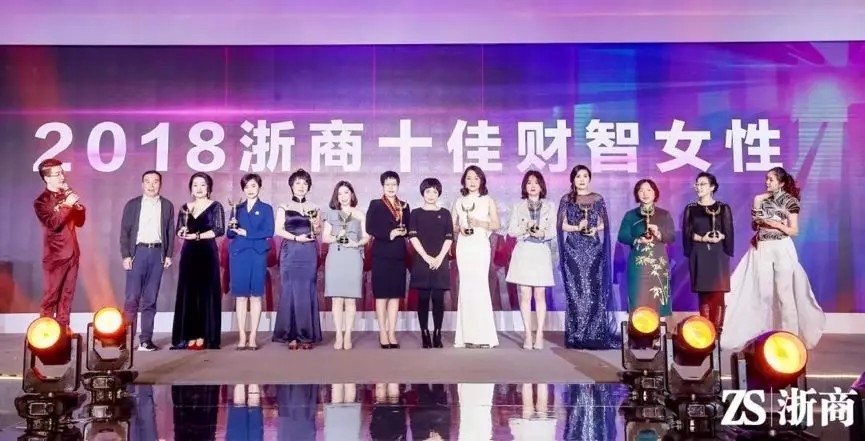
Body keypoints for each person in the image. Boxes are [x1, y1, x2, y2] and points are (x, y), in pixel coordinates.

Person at [721, 167, 825, 350]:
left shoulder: (790, 201)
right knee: (763, 293)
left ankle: (790, 337)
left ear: (781, 183)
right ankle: (761, 337)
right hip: (762, 248)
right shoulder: (760, 199)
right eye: (766, 179)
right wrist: (760, 214)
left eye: (771, 179)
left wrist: (774, 223)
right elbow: (755, 225)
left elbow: (794, 230)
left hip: (781, 247)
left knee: (785, 294)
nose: (767, 182)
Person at [556, 165, 619, 349]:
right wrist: (577, 227)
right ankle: (577, 335)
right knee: (575, 291)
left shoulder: (597, 198)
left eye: (585, 176)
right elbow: (561, 225)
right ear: (572, 180)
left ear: (589, 178)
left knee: (593, 291)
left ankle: (594, 334)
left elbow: (604, 224)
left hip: (593, 249)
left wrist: (594, 228)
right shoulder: (566, 199)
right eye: (578, 176)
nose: (582, 180)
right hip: (573, 250)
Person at [119, 170, 175, 351]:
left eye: (155, 181)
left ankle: (146, 340)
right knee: (132, 299)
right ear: (142, 184)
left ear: (160, 184)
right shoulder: (133, 205)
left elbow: (170, 232)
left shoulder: (167, 205)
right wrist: (126, 255)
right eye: (148, 181)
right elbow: (125, 232)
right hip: (138, 253)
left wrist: (168, 255)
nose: (151, 185)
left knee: (150, 299)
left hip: (157, 254)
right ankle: (126, 340)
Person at [171, 172, 224, 350]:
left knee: (206, 293)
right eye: (195, 185)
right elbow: (180, 229)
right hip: (189, 253)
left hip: (207, 252)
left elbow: (219, 230)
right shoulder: (185, 208)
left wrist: (197, 236)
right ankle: (188, 335)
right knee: (189, 293)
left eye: (203, 184)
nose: (199, 188)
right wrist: (181, 233)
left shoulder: (215, 206)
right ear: (191, 189)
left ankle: (204, 335)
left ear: (208, 187)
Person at [506, 170, 557, 350]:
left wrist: (542, 233)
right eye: (529, 182)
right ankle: (528, 334)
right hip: (524, 250)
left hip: (541, 251)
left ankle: (540, 333)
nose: (533, 186)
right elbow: (511, 231)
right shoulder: (518, 206)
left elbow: (553, 230)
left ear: (541, 186)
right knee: (525, 294)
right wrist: (525, 228)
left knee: (540, 294)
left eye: (536, 182)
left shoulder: (550, 206)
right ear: (524, 186)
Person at [33, 158, 85, 330]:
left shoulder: (66, 194)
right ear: (47, 178)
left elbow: (79, 222)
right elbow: (53, 224)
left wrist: (78, 207)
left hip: (73, 253)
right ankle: (46, 332)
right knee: (51, 296)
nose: (62, 177)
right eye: (57, 174)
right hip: (55, 255)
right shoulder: (41, 201)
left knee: (67, 296)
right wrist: (67, 205)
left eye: (62, 172)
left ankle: (63, 330)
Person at [273, 169, 322, 350]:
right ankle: (290, 335)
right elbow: (278, 229)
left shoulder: (315, 207)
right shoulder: (284, 206)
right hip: (291, 251)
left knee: (307, 290)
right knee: (290, 291)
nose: (301, 186)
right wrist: (295, 238)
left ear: (309, 186)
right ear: (291, 186)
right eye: (298, 183)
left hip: (308, 252)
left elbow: (318, 231)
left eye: (304, 183)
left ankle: (306, 335)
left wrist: (316, 226)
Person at [452, 165, 500, 348]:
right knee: (465, 287)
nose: (472, 182)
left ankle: (484, 336)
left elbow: (496, 224)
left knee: (480, 286)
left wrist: (480, 223)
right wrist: (460, 228)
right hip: (464, 247)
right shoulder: (458, 201)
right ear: (464, 181)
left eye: (476, 178)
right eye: (469, 178)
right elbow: (451, 225)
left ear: (481, 181)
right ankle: (466, 336)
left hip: (480, 246)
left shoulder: (488, 200)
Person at [681, 172, 734, 335]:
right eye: (697, 184)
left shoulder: (723, 208)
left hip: (718, 255)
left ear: (712, 187)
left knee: (718, 294)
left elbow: (728, 232)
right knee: (703, 294)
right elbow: (687, 233)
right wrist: (702, 238)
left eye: (702, 184)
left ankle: (717, 333)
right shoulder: (691, 208)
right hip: (699, 253)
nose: (698, 187)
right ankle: (706, 332)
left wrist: (721, 236)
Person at [226, 173, 274, 350]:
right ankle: (242, 336)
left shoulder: (266, 208)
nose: (250, 190)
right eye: (246, 187)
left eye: (253, 186)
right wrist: (232, 226)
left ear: (259, 187)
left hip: (258, 253)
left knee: (255, 296)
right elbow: (229, 234)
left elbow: (269, 231)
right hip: (239, 254)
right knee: (240, 296)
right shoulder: (237, 208)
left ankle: (253, 336)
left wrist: (247, 233)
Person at [617, 179, 675, 320]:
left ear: (655, 193)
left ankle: (657, 333)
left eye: (649, 190)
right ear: (637, 194)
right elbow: (622, 236)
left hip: (658, 263)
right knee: (639, 299)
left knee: (657, 300)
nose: (645, 193)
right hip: (638, 264)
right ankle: (637, 332)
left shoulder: (664, 214)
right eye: (641, 190)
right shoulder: (631, 215)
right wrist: (637, 240)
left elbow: (671, 237)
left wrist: (658, 233)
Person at [321, 181, 369, 350]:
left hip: (353, 257)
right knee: (337, 299)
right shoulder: (331, 214)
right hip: (335, 257)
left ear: (352, 194)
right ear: (336, 196)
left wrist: (355, 243)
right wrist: (337, 237)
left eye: (346, 192)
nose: (343, 196)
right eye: (340, 193)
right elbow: (325, 237)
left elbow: (366, 237)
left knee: (350, 300)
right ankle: (338, 335)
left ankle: (348, 334)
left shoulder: (360, 214)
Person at [366, 171, 411, 349]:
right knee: (382, 294)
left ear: (398, 186)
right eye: (387, 184)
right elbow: (370, 227)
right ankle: (383, 332)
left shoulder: (404, 205)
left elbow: (409, 227)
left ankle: (392, 332)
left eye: (394, 184)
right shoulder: (376, 204)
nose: (391, 188)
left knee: (395, 295)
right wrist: (389, 233)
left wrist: (404, 231)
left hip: (399, 254)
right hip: (381, 253)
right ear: (382, 186)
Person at [407, 178, 453, 349]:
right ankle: (425, 333)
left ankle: (437, 333)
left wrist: (439, 258)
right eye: (428, 191)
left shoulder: (445, 213)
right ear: (422, 193)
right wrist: (426, 257)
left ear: (439, 193)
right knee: (423, 298)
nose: (431, 195)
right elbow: (413, 236)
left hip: (440, 260)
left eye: (434, 191)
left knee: (438, 298)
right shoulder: (416, 213)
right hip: (422, 260)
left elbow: (449, 237)